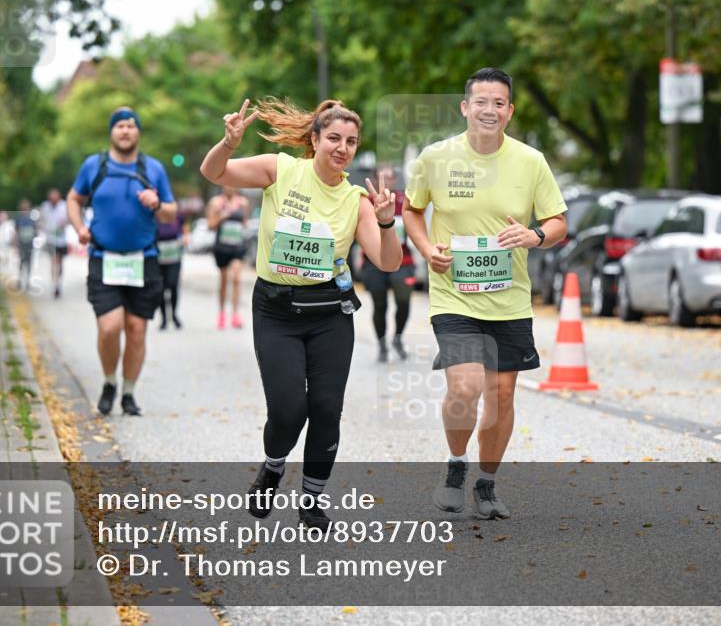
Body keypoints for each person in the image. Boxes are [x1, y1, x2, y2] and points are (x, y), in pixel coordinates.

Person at [200, 97, 402, 529]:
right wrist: (228, 143)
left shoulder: (356, 199)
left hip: (329, 313)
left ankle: (311, 499)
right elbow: (213, 172)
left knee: (327, 408)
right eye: (333, 138)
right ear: (314, 140)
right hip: (275, 311)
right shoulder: (281, 169)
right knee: (290, 409)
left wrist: (387, 223)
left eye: (350, 141)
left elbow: (387, 262)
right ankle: (273, 466)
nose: (342, 148)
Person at [402, 68, 567, 520]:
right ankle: (456, 465)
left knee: (502, 396)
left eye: (499, 103)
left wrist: (534, 236)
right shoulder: (435, 158)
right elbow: (412, 211)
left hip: (510, 298)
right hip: (454, 295)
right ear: (465, 107)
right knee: (466, 385)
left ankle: (487, 484)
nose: (489, 110)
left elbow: (558, 224)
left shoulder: (531, 161)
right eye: (481, 102)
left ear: (509, 111)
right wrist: (425, 248)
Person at [66, 106, 177, 417]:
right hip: (104, 258)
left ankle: (128, 393)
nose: (125, 130)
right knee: (110, 328)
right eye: (119, 126)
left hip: (145, 260)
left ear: (138, 132)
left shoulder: (152, 168)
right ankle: (109, 382)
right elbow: (73, 199)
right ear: (111, 132)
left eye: (131, 125)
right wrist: (79, 228)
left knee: (137, 329)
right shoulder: (94, 165)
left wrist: (157, 203)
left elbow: (171, 211)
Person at [360, 165, 415, 362]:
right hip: (374, 262)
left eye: (390, 177)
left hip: (403, 260)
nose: (387, 181)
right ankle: (382, 344)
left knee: (403, 299)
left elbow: (416, 225)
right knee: (380, 304)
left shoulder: (403, 200)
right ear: (374, 180)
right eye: (383, 177)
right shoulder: (366, 202)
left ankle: (398, 338)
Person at [207, 187, 250, 329]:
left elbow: (245, 223)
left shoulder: (243, 202)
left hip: (237, 246)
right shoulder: (216, 203)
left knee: (237, 278)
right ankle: (221, 313)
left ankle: (236, 314)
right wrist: (222, 217)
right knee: (224, 280)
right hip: (222, 247)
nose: (230, 187)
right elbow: (210, 225)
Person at [155, 211, 186, 330]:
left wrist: (185, 238)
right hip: (158, 259)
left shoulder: (177, 215)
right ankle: (163, 318)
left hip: (174, 257)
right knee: (161, 288)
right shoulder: (154, 216)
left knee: (172, 285)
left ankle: (173, 314)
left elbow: (183, 230)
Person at [39, 188, 69, 297]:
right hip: (51, 239)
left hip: (62, 240)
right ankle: (54, 284)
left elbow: (69, 219)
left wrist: (64, 222)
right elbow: (41, 220)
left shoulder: (64, 206)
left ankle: (58, 282)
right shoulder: (45, 206)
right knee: (54, 261)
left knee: (60, 263)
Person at [13, 200, 36, 291]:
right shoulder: (19, 218)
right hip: (22, 243)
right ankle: (20, 280)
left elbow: (34, 230)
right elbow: (16, 231)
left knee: (28, 263)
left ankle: (27, 281)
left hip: (29, 243)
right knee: (22, 262)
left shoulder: (31, 218)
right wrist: (16, 243)